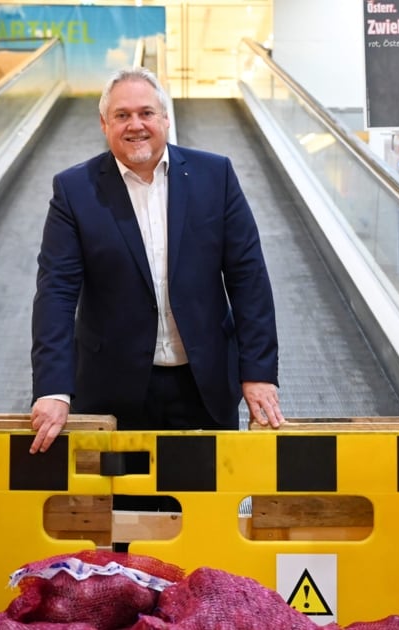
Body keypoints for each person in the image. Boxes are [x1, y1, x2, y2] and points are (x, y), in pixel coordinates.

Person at [29, 67, 284, 455]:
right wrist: (52, 388)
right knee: (125, 512)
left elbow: (248, 279)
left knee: (208, 506)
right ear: (103, 123)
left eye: (146, 113)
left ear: (165, 118)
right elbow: (56, 294)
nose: (136, 125)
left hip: (205, 386)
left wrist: (259, 373)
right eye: (122, 115)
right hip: (113, 390)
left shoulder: (216, 177)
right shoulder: (74, 190)